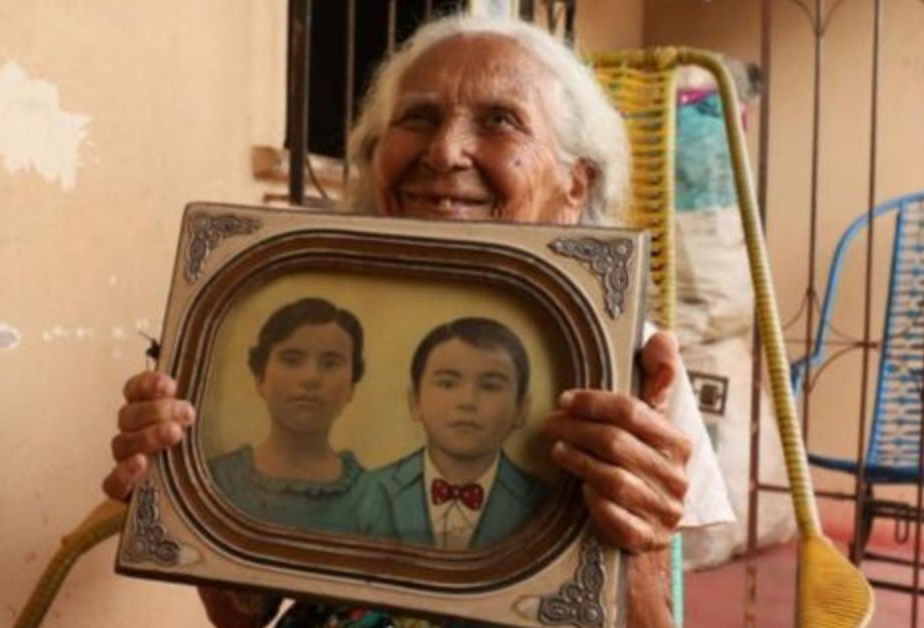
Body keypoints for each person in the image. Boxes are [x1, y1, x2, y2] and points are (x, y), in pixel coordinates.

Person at [104, 14, 732, 628]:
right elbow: (246, 616)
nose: (445, 151)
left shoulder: (630, 363)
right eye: (418, 118)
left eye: (500, 121)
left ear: (575, 182)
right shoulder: (310, 318)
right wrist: (183, 496)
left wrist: (638, 547)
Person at [358, 317, 547, 550]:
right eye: (447, 384)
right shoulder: (367, 492)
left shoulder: (545, 504)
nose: (467, 402)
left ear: (521, 409)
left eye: (490, 386)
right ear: (415, 401)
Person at [207, 297, 372, 533]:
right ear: (260, 378)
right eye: (292, 360)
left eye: (330, 363)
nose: (311, 378)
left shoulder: (375, 497)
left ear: (351, 387)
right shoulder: (214, 479)